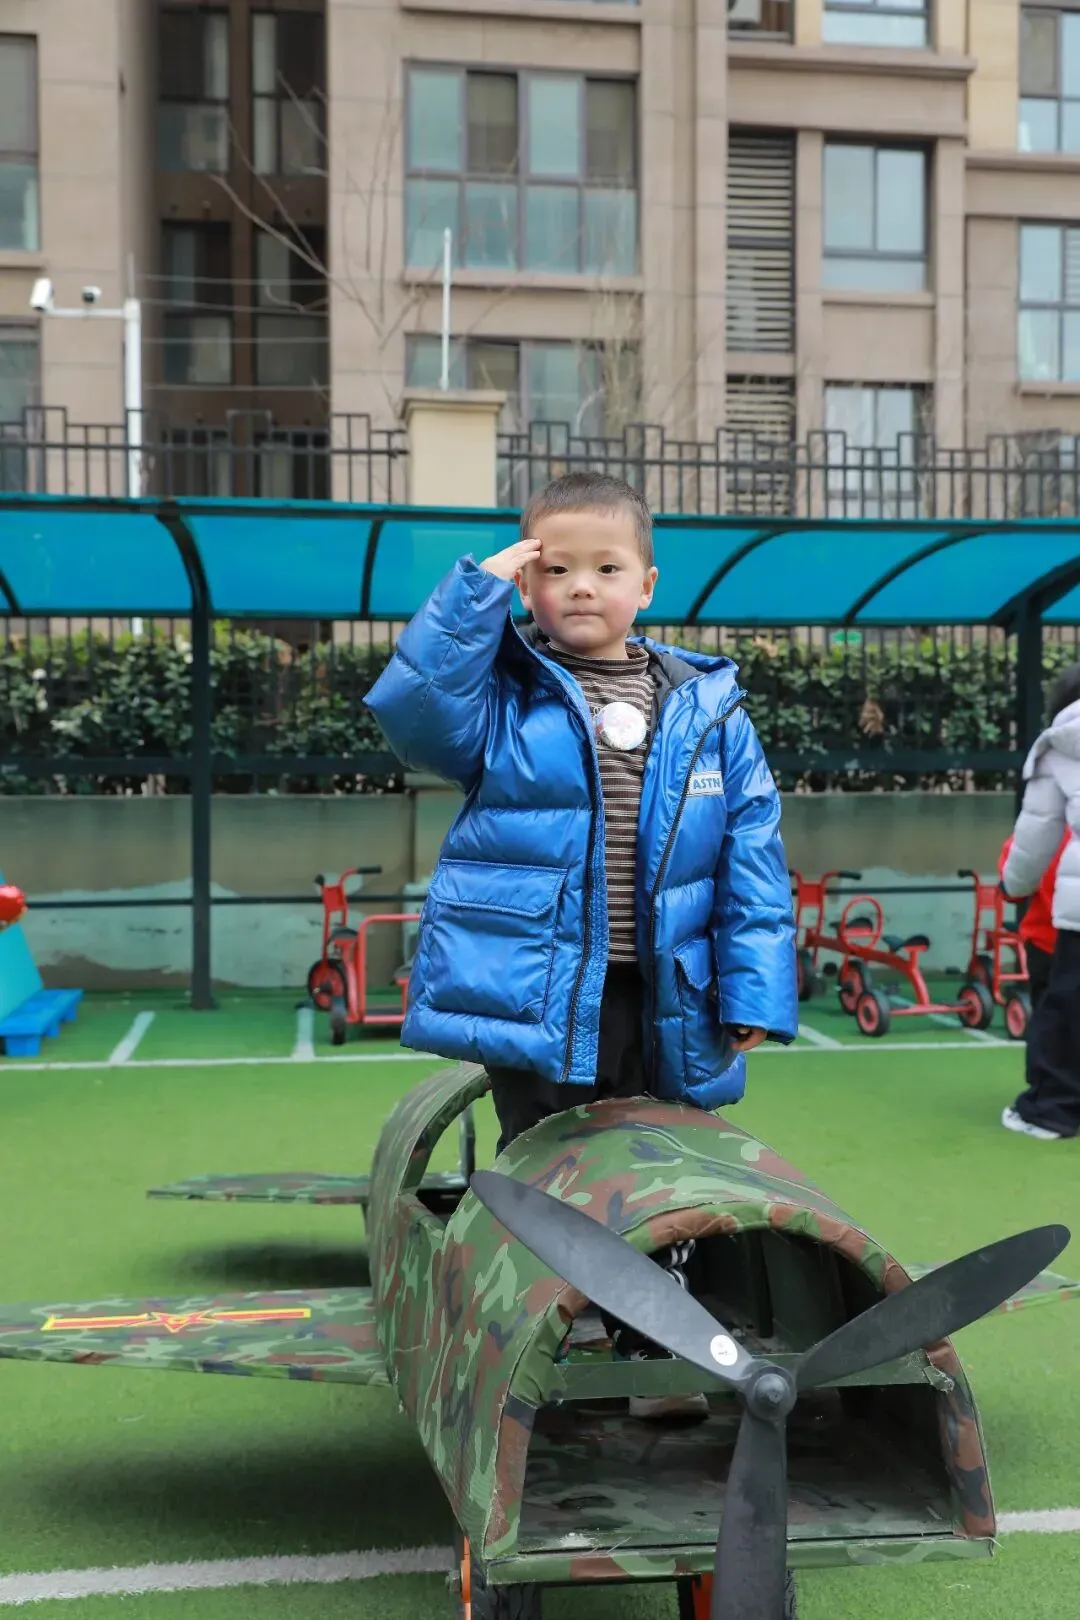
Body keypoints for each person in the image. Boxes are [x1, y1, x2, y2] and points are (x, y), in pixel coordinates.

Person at [365, 471, 798, 1419]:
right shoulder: (501, 692)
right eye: (555, 570)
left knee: (661, 1164)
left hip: (667, 990)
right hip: (539, 986)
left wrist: (754, 990)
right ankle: (546, 1338)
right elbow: (413, 715)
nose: (581, 588)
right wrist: (471, 596)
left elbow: (754, 854)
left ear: (647, 584)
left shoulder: (709, 705)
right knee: (544, 1161)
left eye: (606, 568)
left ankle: (656, 1344)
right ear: (526, 585)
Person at [1000, 662, 1080, 1140]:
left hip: (1070, 917)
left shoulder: (1063, 741)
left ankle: (1051, 1108)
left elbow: (1033, 839)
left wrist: (1012, 885)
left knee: (1064, 1010)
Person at [997, 829, 1068, 1013]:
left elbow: (1012, 888)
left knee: (1050, 1021)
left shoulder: (1044, 827)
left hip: (1047, 945)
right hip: (1053, 945)